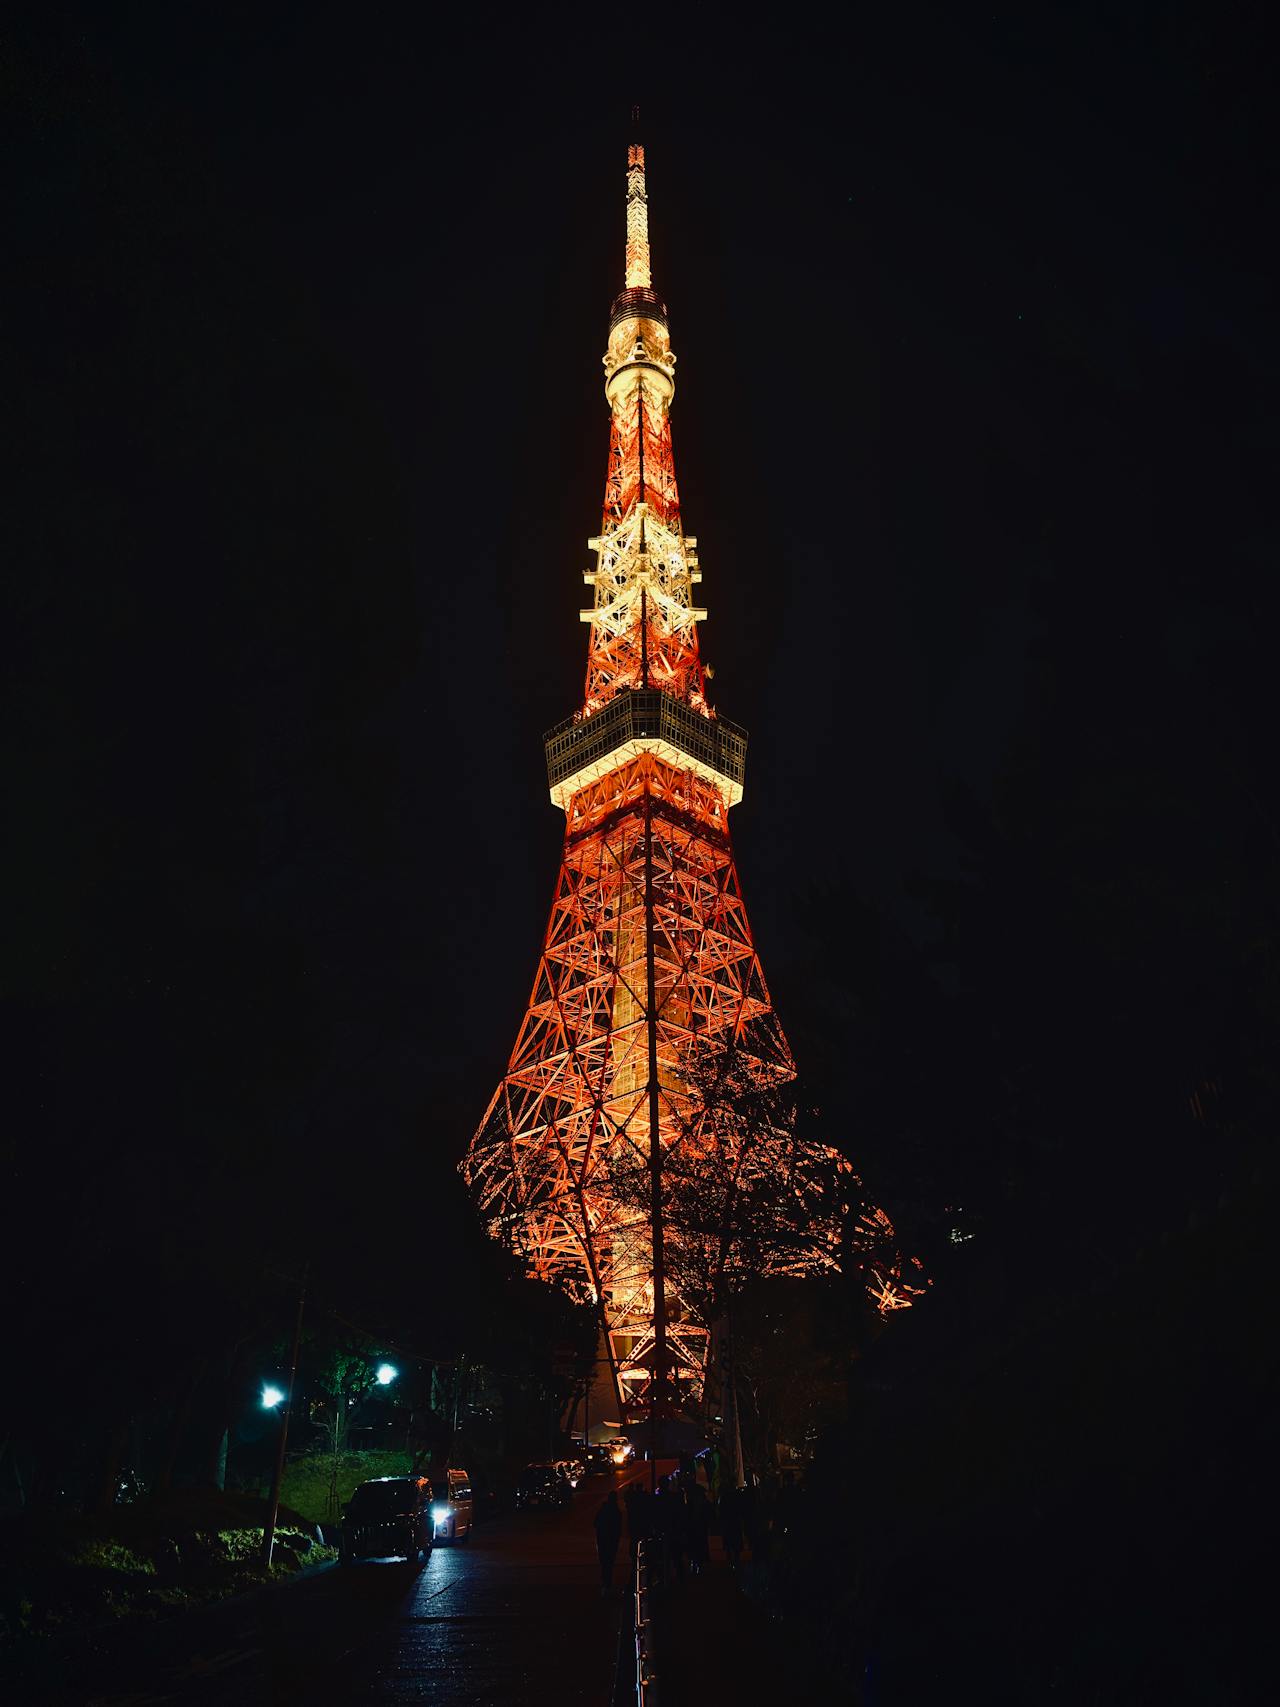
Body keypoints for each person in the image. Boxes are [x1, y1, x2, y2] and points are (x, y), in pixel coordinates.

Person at [593, 1491, 623, 1596]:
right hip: (611, 1540)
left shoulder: (604, 1510)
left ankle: (605, 1584)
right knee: (609, 1562)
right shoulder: (616, 1511)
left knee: (605, 1563)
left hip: (603, 1540)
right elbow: (618, 1527)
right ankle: (607, 1584)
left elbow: (595, 1523)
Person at [719, 1484, 743, 1570]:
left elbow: (721, 1510)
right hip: (734, 1522)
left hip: (729, 1522)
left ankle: (731, 1560)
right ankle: (735, 1560)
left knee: (730, 1542)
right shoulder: (736, 1496)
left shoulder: (725, 1496)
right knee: (734, 1542)